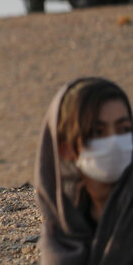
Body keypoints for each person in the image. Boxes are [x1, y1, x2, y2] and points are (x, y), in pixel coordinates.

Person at [35, 77, 133, 264]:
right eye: (98, 132)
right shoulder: (61, 232)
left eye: (124, 129)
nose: (114, 142)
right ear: (66, 149)